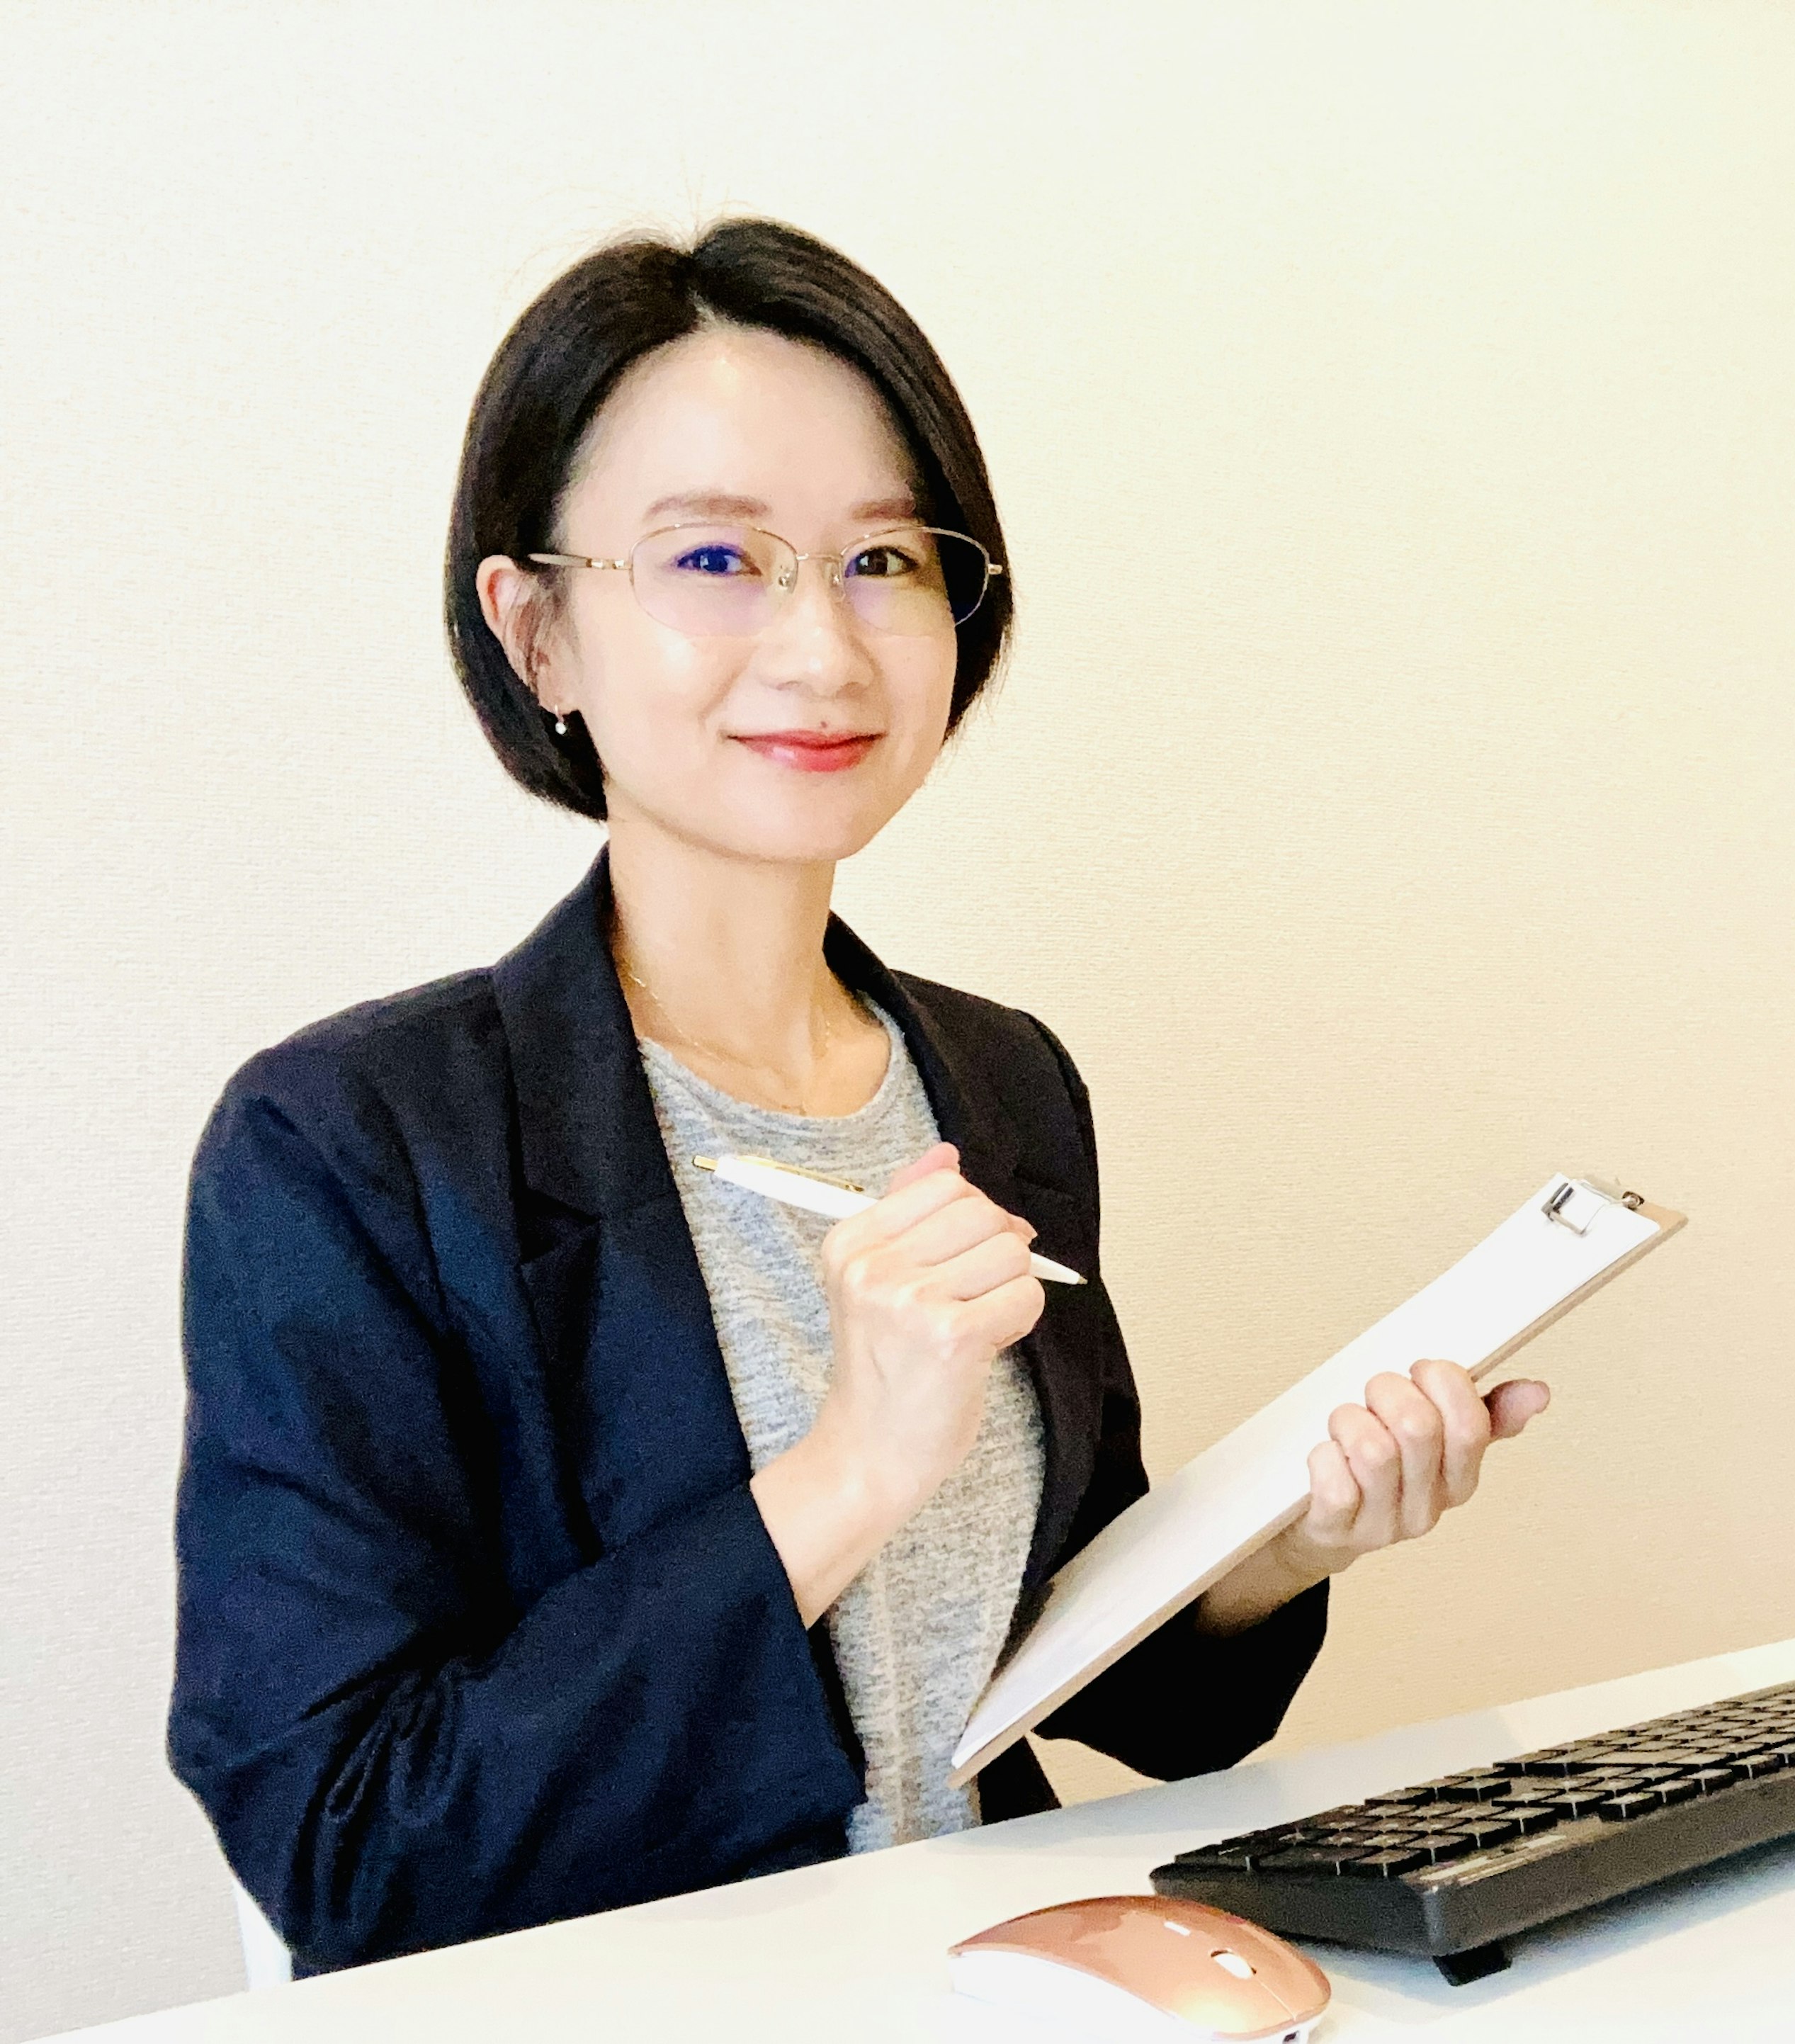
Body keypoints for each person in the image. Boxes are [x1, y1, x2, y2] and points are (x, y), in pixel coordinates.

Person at [167, 217, 1551, 1977]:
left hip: (1015, 1975)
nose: (824, 649)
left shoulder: (997, 1080)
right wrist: (845, 1471)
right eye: (717, 559)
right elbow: (346, 1844)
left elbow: (1075, 1676)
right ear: (538, 636)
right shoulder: (351, 1144)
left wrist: (1284, 1549)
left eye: (885, 558)